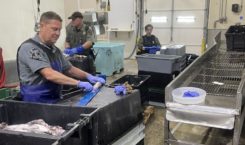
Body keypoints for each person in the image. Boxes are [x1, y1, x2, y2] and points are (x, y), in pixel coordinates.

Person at [17, 11, 105, 103]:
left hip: (54, 99)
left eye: (59, 30)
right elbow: (49, 74)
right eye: (54, 29)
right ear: (42, 26)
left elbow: (69, 69)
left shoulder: (55, 50)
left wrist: (88, 76)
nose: (58, 33)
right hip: (35, 102)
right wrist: (78, 83)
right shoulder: (30, 48)